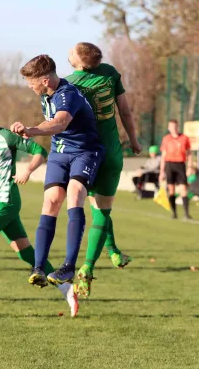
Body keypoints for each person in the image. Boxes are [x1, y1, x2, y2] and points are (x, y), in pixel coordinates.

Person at [0, 96, 78, 317]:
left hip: (6, 200)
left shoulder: (6, 136)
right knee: (26, 254)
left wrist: (27, 170)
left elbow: (40, 151)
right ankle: (68, 289)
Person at [10, 54, 104, 287]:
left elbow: (60, 123)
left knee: (74, 195)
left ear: (44, 80)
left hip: (84, 152)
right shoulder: (47, 93)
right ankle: (39, 268)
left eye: (31, 82)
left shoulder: (68, 94)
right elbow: (48, 124)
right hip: (59, 154)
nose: (29, 86)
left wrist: (32, 130)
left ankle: (68, 267)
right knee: (51, 201)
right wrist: (30, 129)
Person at [66, 42, 142, 297]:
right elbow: (126, 112)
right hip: (111, 153)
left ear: (79, 62)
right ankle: (104, 257)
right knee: (102, 209)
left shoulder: (69, 83)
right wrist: (133, 140)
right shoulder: (109, 72)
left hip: (86, 155)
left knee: (96, 208)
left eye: (72, 51)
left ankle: (89, 263)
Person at [159, 119, 192, 219]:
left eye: (175, 126)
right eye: (171, 127)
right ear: (169, 128)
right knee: (171, 189)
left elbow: (189, 153)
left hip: (181, 164)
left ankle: (186, 213)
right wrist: (161, 171)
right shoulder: (166, 139)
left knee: (183, 189)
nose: (173, 128)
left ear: (178, 127)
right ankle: (174, 213)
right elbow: (163, 155)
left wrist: (190, 166)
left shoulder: (184, 138)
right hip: (169, 165)